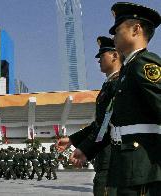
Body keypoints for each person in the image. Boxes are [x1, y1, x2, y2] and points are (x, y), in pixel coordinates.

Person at [69, 2, 161, 195]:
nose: (114, 35)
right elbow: (108, 122)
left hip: (144, 167)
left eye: (118, 30)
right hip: (127, 166)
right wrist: (86, 148)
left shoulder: (143, 64)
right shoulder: (127, 72)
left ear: (136, 30)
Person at [56, 36, 122, 195]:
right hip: (107, 156)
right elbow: (100, 123)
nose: (99, 60)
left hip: (113, 157)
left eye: (102, 55)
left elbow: (106, 123)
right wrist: (72, 139)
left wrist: (85, 149)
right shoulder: (110, 84)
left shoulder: (119, 83)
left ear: (115, 55)